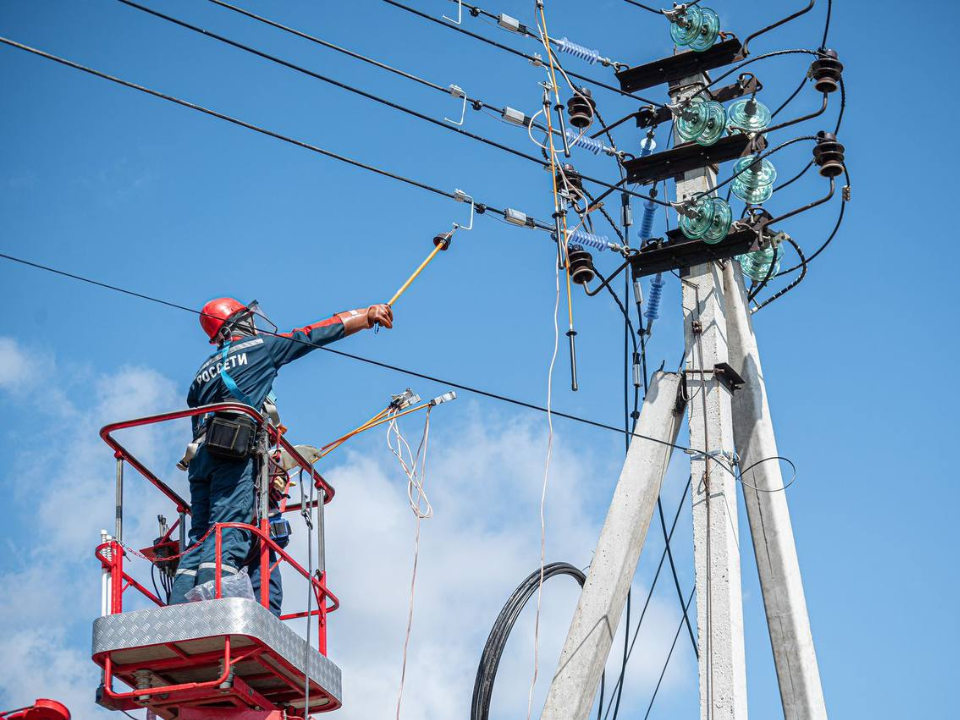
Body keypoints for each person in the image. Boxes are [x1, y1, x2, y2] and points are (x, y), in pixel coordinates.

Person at [170, 297, 393, 616]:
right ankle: (210, 612)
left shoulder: (202, 372)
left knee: (200, 535)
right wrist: (367, 316)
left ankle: (179, 608)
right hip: (233, 451)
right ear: (238, 322)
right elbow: (312, 334)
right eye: (248, 318)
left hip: (200, 459)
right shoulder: (258, 349)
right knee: (228, 528)